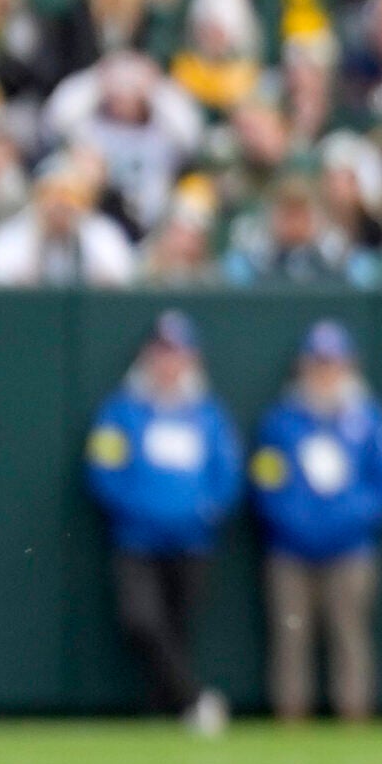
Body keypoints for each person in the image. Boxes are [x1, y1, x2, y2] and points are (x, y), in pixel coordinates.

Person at [83, 311, 242, 735]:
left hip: (192, 542)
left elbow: (227, 473)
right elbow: (103, 467)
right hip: (137, 539)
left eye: (178, 354)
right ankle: (193, 701)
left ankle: (166, 711)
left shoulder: (208, 415)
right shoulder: (122, 411)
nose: (169, 364)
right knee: (142, 622)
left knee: (178, 628)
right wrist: (135, 508)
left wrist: (206, 511)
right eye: (162, 354)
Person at [250, 321, 382, 723]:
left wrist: (348, 521)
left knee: (349, 634)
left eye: (332, 363)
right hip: (290, 549)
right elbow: (266, 479)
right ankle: (290, 716)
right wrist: (293, 522)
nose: (324, 372)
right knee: (290, 636)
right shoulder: (281, 421)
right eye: (317, 363)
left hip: (351, 548)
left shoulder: (369, 420)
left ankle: (354, 715)